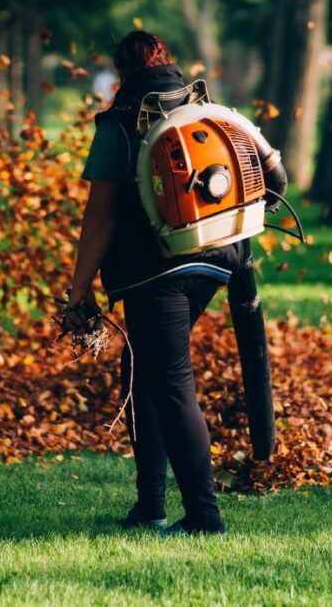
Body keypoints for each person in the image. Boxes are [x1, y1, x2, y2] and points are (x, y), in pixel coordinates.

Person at [66, 30, 251, 536]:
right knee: (142, 365)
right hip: (217, 262)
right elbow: (269, 177)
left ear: (122, 72)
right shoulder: (208, 110)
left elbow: (100, 216)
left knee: (170, 383)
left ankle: (204, 517)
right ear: (167, 62)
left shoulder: (119, 123)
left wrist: (79, 288)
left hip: (158, 273)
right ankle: (149, 505)